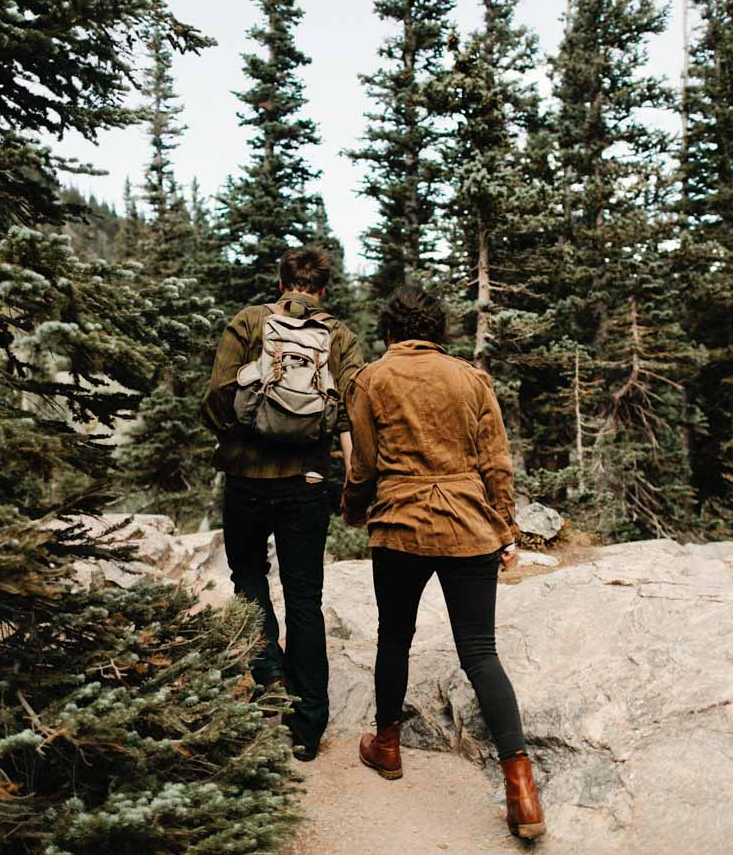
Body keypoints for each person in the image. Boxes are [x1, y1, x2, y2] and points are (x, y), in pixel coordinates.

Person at [341, 285, 545, 840]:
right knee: (480, 653)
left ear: (390, 332)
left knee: (393, 638)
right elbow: (496, 461)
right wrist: (504, 528)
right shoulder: (470, 378)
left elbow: (363, 466)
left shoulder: (370, 378)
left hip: (400, 520)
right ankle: (521, 788)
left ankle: (387, 747)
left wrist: (355, 512)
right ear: (438, 332)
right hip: (468, 521)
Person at [201, 246, 364, 761]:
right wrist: (353, 479)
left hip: (247, 478)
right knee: (304, 598)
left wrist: (245, 426)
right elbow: (351, 414)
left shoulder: (249, 322)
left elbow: (215, 398)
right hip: (307, 481)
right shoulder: (339, 335)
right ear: (323, 291)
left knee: (248, 580)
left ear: (280, 284)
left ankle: (270, 674)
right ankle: (309, 726)